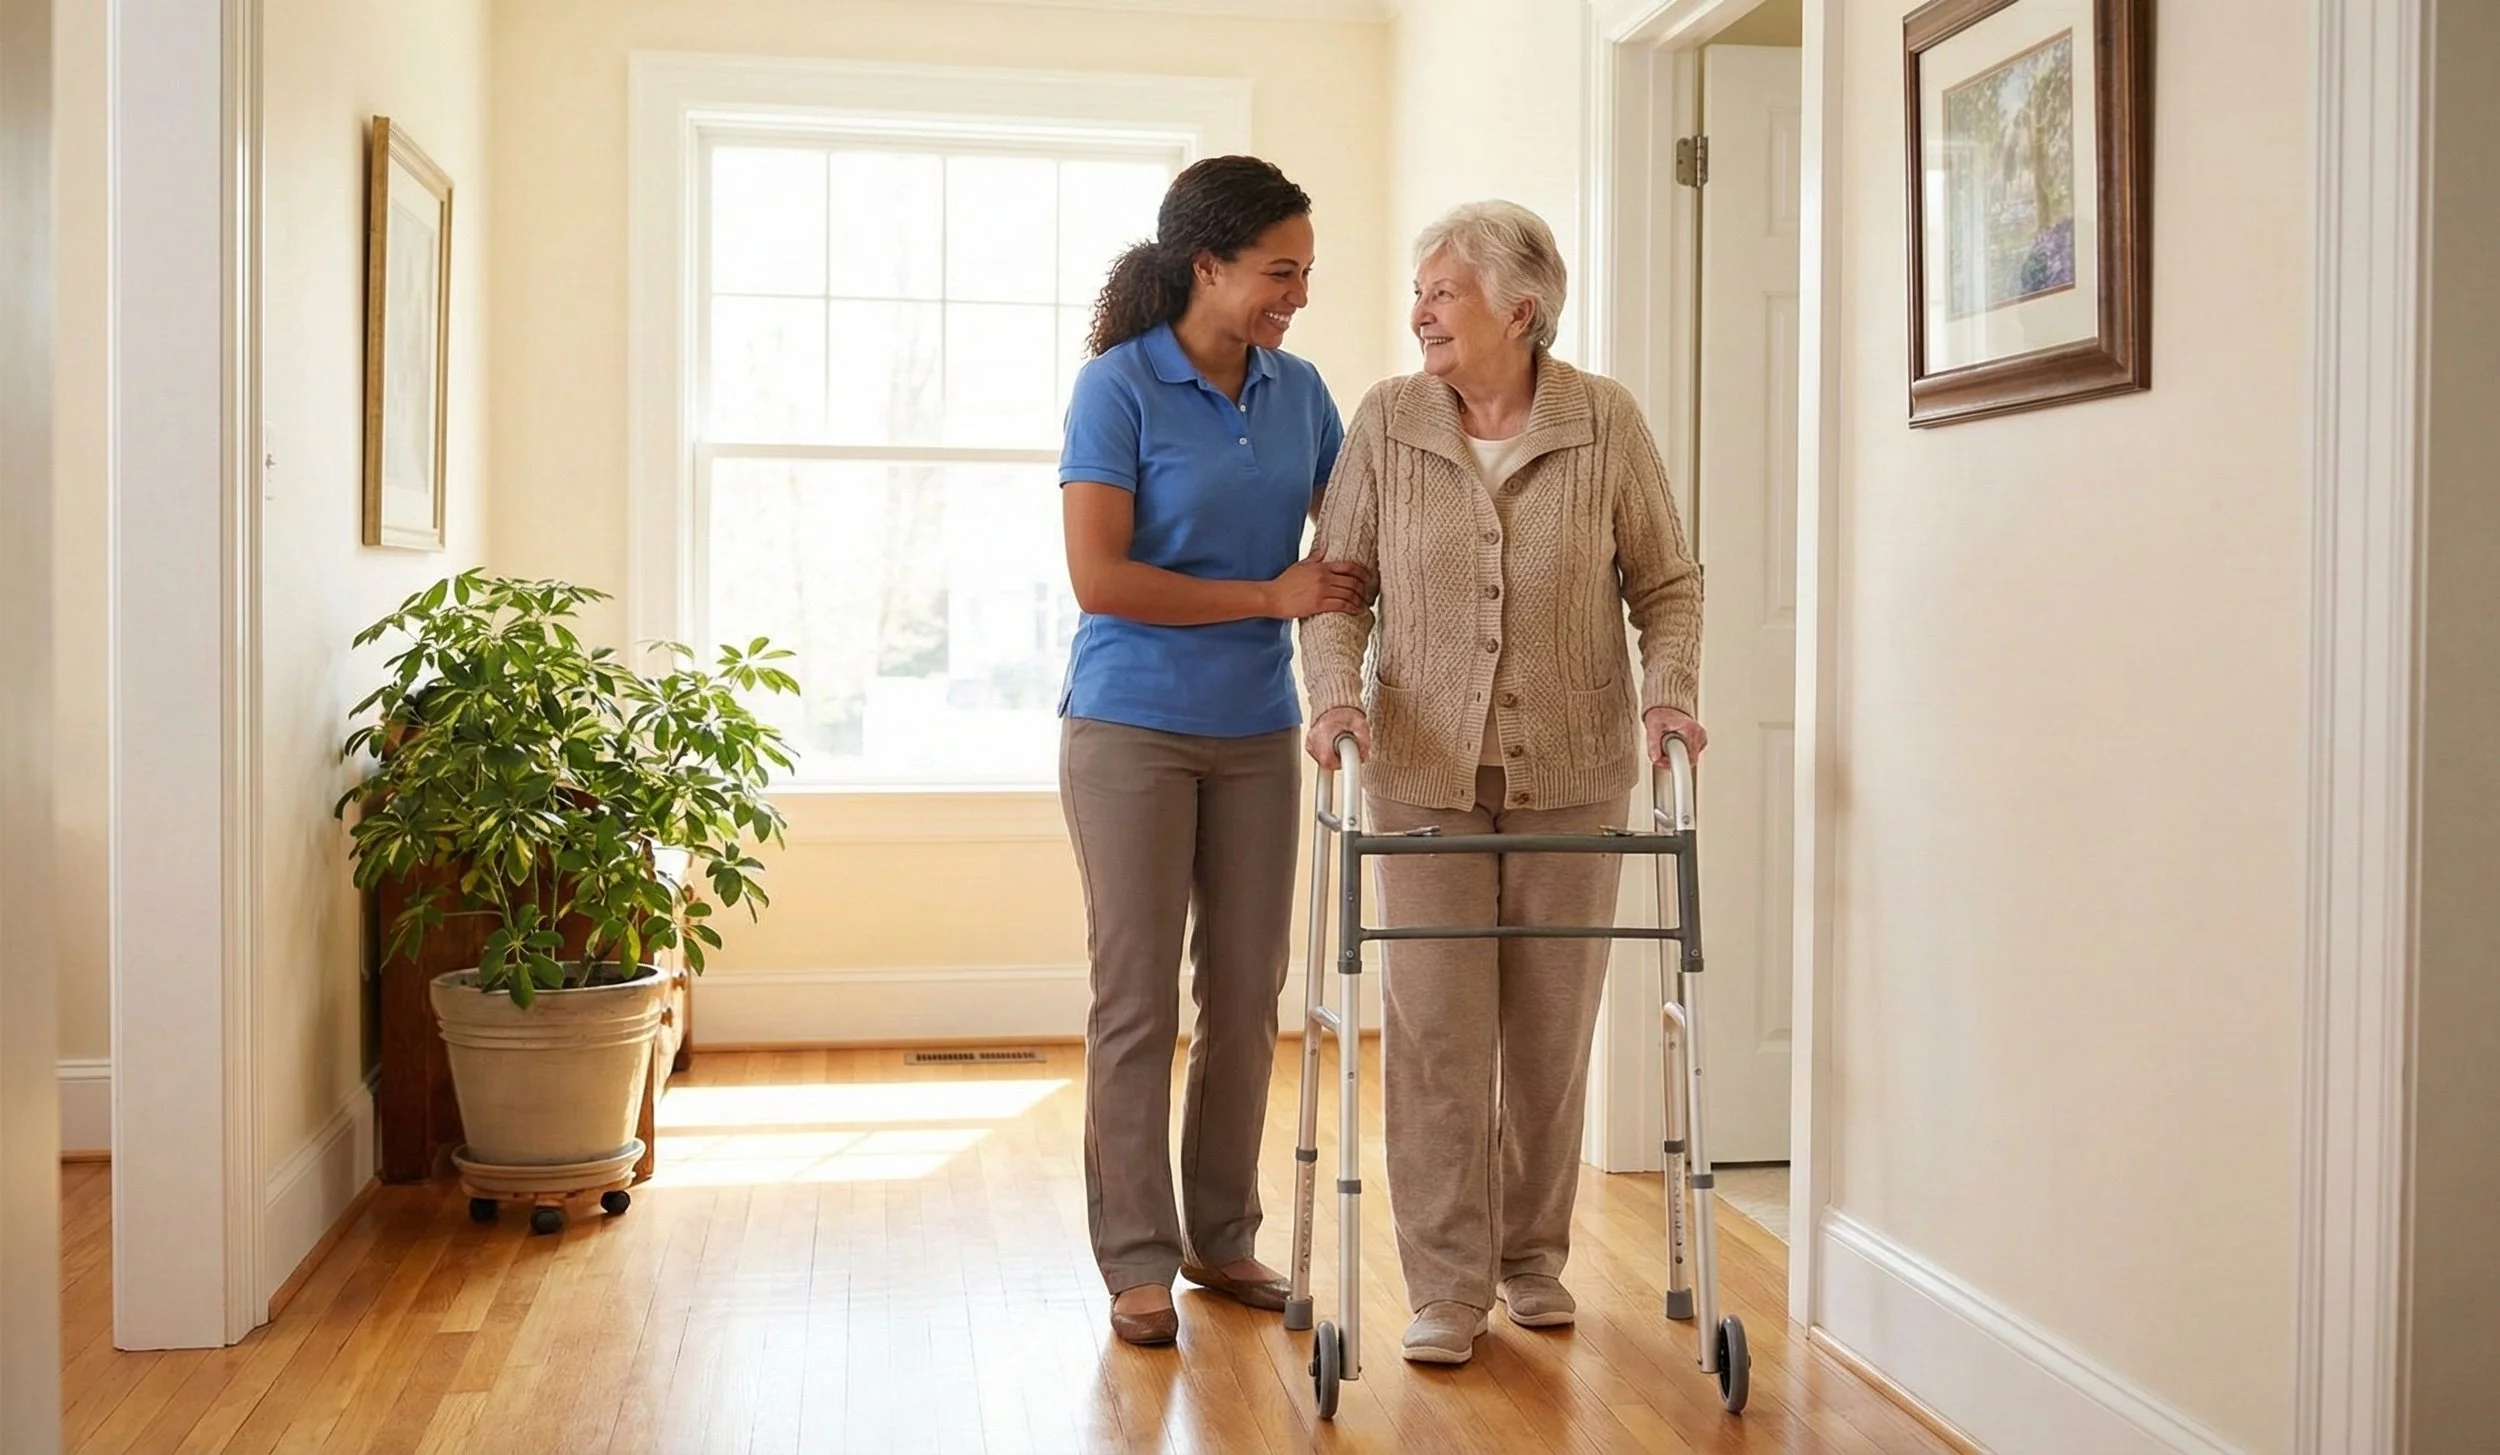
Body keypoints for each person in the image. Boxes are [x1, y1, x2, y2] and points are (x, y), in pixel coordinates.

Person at [1299, 200, 1705, 1365]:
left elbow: (1666, 585)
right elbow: (1341, 585)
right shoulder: (1386, 419)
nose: (1419, 310)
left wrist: (1666, 690)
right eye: (1419, 292)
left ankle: (1531, 1262)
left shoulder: (1603, 421)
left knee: (1546, 1033)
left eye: (1443, 291)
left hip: (1574, 772)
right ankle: (1444, 1286)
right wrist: (1335, 698)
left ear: (1519, 309)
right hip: (1420, 773)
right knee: (1434, 1033)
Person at [1057, 156, 1371, 1347]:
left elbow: (1349, 545)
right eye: (1277, 272)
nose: (1295, 296)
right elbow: (1102, 578)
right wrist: (1265, 598)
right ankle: (1134, 1257)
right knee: (1134, 999)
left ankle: (1220, 1238)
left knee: (1244, 997)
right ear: (1208, 265)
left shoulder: (1300, 393)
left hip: (1255, 732)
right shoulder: (1117, 387)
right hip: (1129, 725)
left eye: (1304, 274)